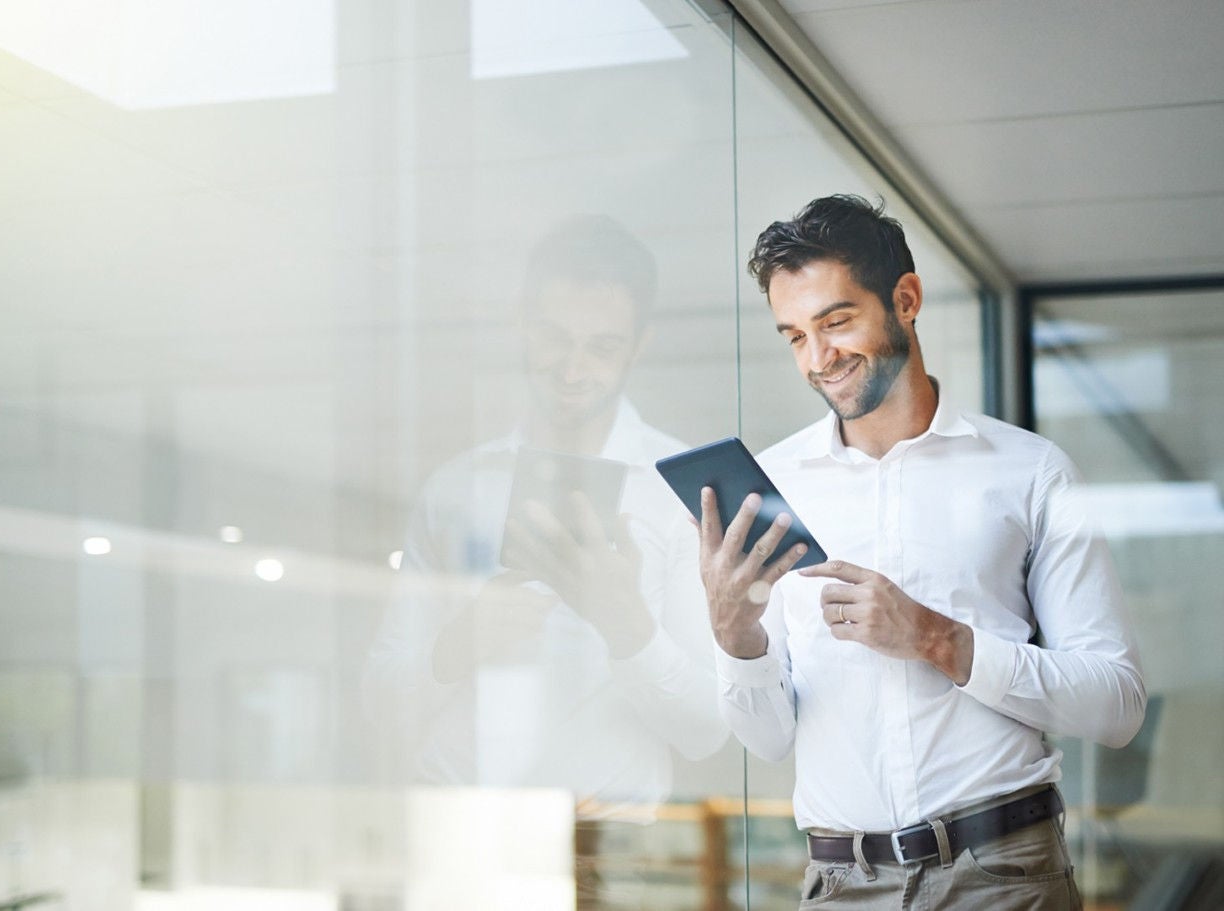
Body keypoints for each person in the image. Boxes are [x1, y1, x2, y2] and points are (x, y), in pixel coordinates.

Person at [697, 194, 1146, 909]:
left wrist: (936, 638)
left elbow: (1116, 704)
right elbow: (769, 737)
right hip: (840, 884)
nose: (818, 359)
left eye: (836, 321)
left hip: (1003, 877)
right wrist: (734, 635)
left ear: (905, 299)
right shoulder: (775, 488)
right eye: (795, 336)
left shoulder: (1030, 471)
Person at [368, 213, 726, 816]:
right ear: (522, 326)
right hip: (459, 829)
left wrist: (626, 625)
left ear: (639, 347)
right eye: (555, 337)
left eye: (602, 346)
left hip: (611, 852)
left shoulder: (682, 494)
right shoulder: (455, 489)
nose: (572, 368)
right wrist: (460, 642)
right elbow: (380, 702)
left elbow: (707, 731)